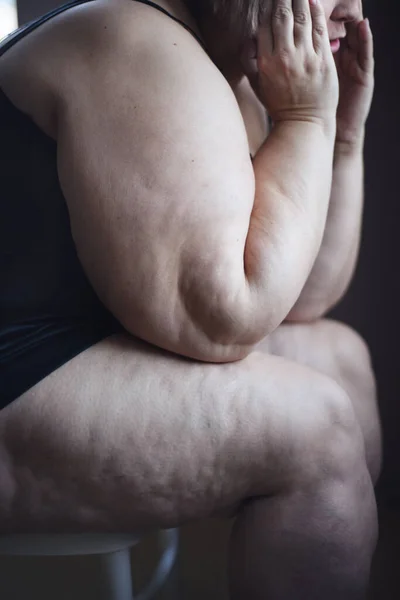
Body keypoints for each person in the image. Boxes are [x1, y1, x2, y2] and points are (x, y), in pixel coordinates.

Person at [0, 0, 381, 597]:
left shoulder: (229, 72)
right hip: (14, 378)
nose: (351, 9)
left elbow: (300, 296)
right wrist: (307, 121)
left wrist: (342, 139)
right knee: (316, 431)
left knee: (341, 363)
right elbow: (227, 317)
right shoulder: (141, 47)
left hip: (72, 353)